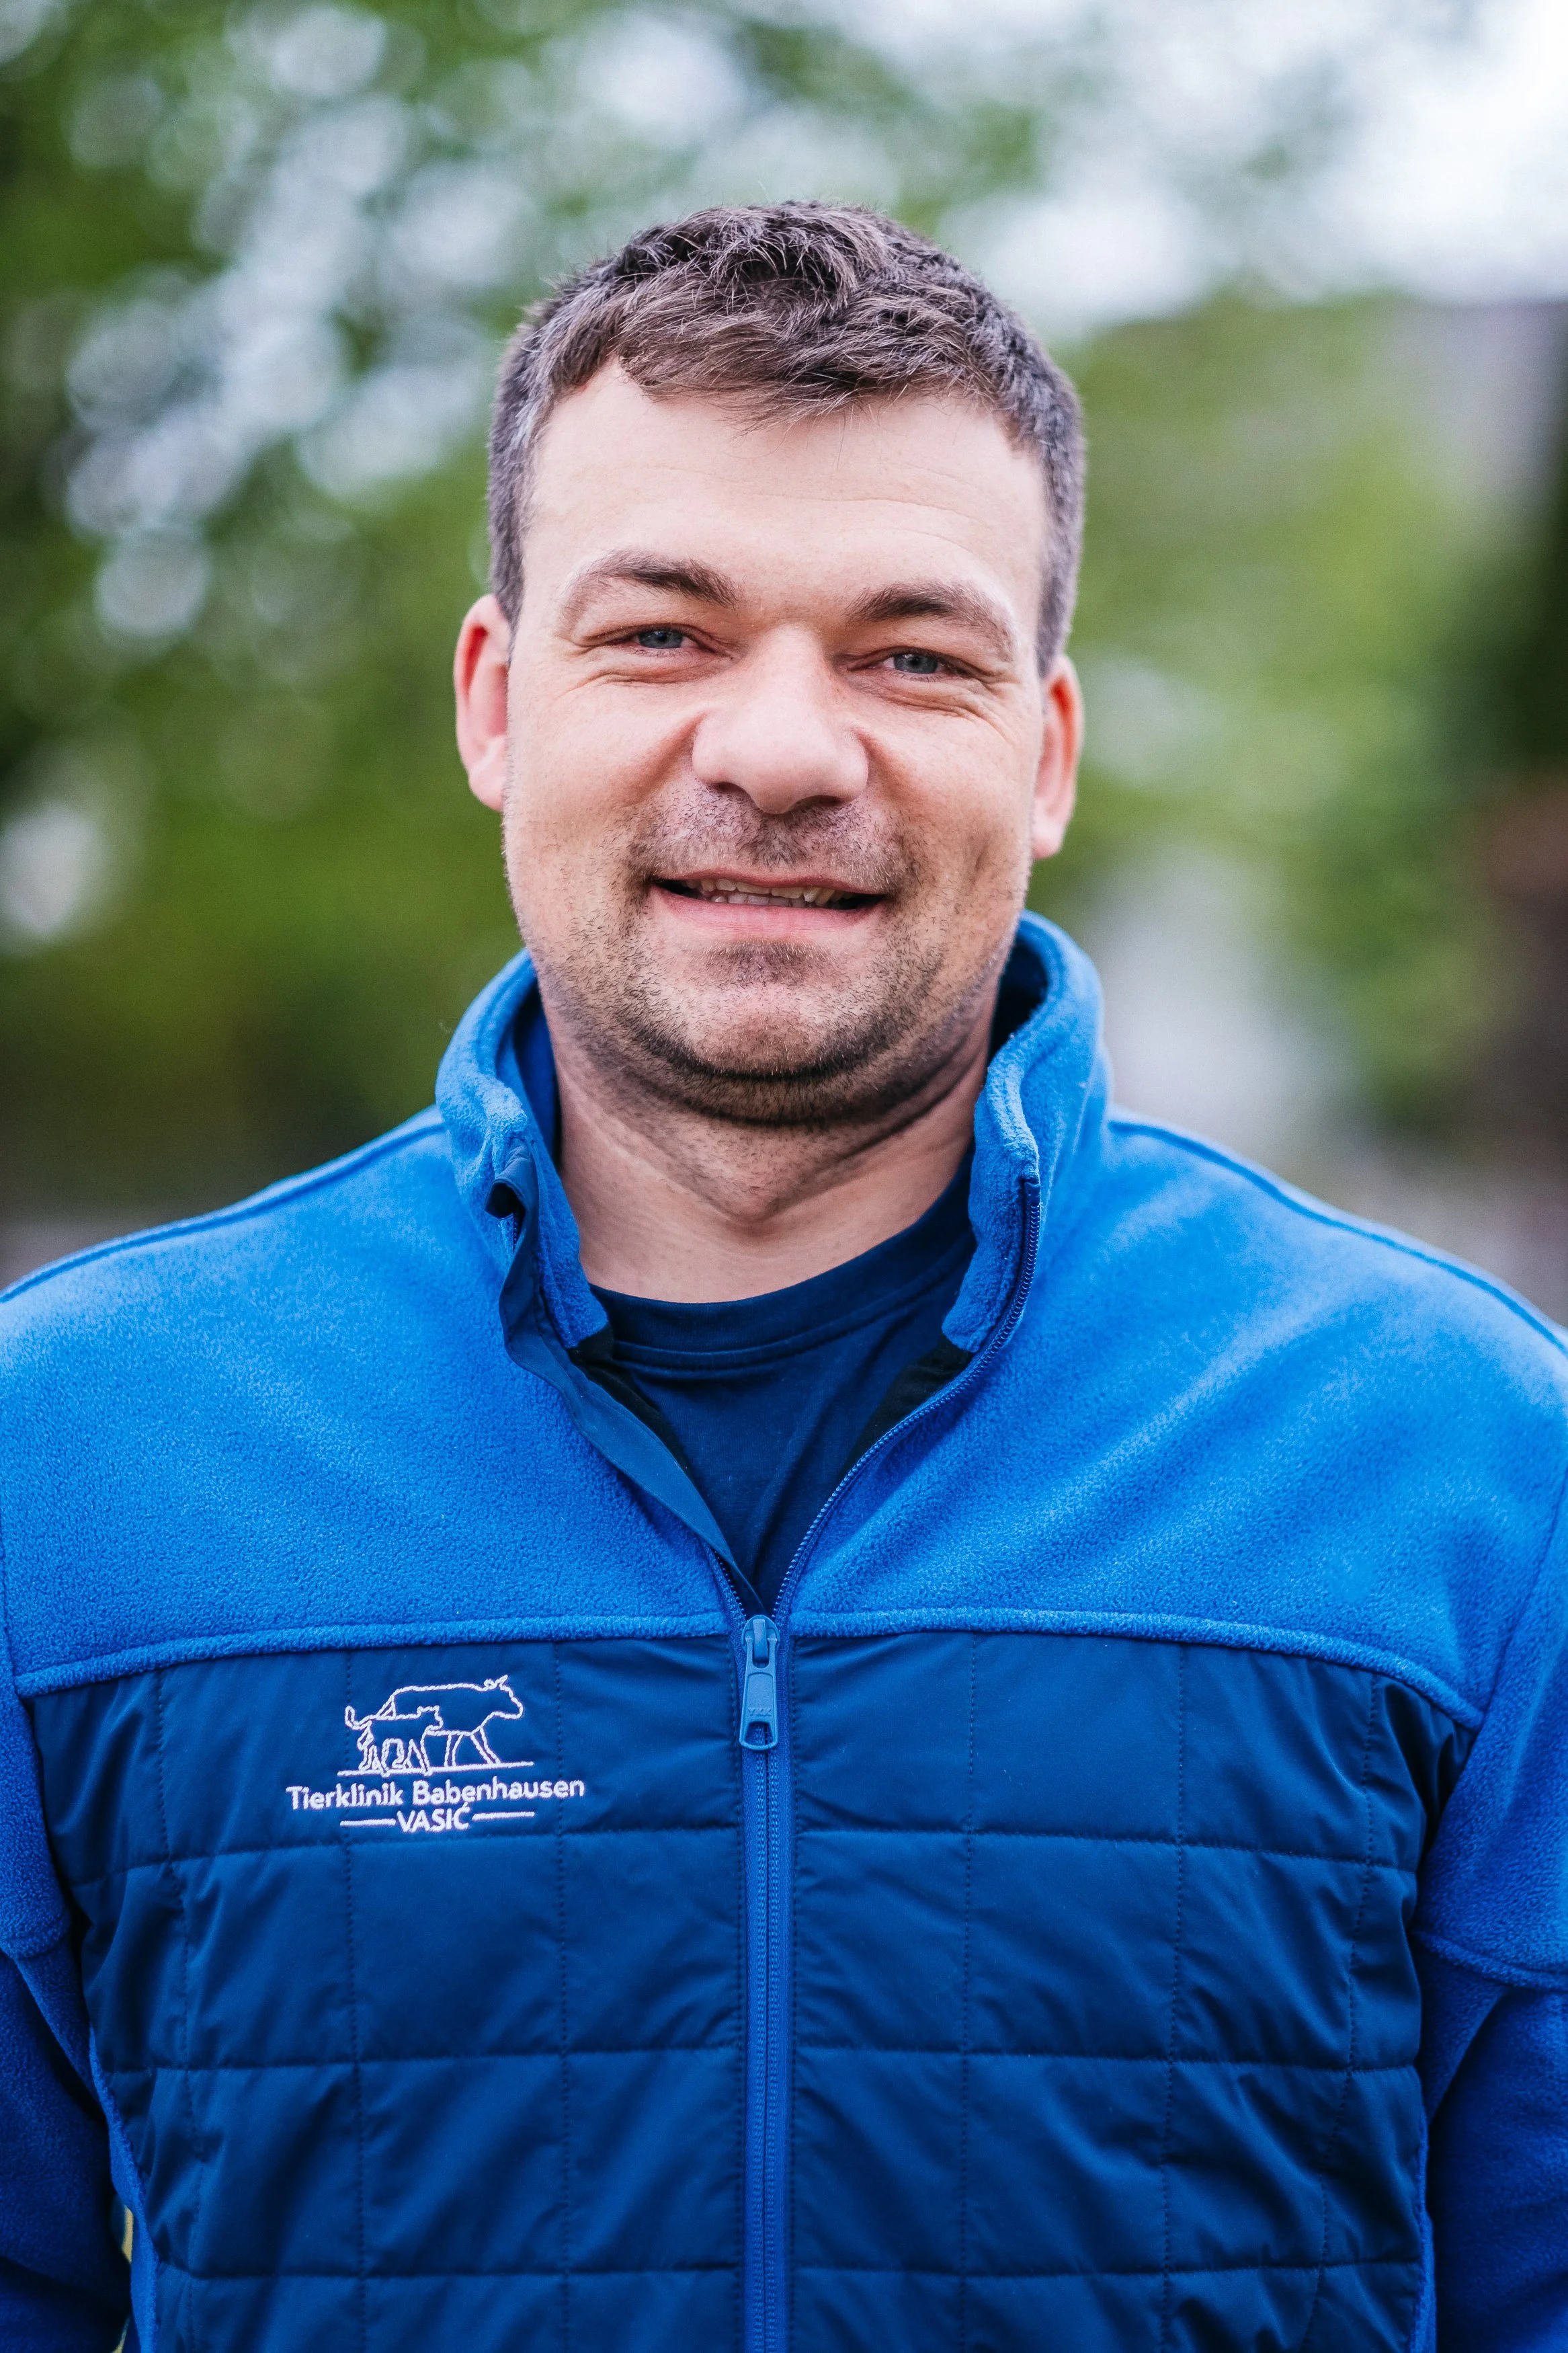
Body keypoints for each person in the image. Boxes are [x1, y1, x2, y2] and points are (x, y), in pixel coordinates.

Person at [0, 202, 1563, 2353]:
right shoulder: (71, 1459)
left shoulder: (1464, 1458)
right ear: (492, 699)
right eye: (661, 634)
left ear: (1044, 748)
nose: (782, 750)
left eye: (912, 653)